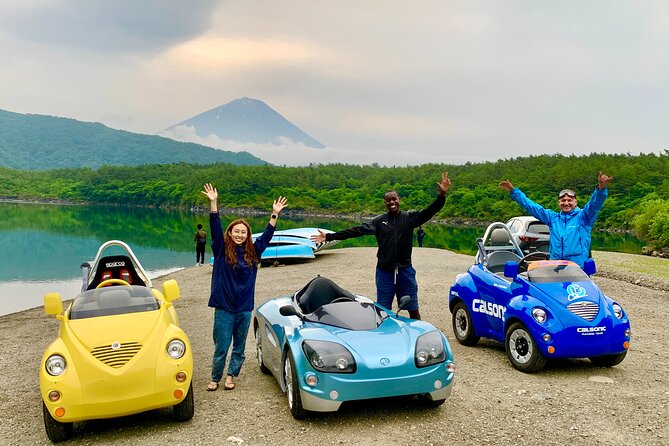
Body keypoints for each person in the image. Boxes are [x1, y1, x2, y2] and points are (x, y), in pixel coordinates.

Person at [310, 172, 452, 320]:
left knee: (413, 310)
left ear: (399, 200)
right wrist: (329, 236)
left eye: (394, 199)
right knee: (382, 311)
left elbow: (431, 211)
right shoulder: (379, 221)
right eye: (388, 200)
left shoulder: (410, 218)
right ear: (385, 203)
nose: (391, 202)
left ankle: (416, 335)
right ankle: (385, 337)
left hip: (405, 271)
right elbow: (356, 231)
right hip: (384, 273)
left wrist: (441, 195)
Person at [202, 183, 287, 391]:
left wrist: (274, 215)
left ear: (247, 235)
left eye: (243, 232)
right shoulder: (221, 250)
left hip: (243, 308)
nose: (239, 234)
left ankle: (231, 376)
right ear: (230, 233)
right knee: (221, 346)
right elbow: (215, 228)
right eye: (236, 231)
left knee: (239, 347)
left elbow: (267, 236)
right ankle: (215, 378)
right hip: (223, 307)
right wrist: (214, 203)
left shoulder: (253, 252)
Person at [498, 171, 612, 268]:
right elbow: (531, 206)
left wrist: (601, 188)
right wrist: (514, 192)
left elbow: (595, 204)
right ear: (559, 203)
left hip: (577, 268)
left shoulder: (584, 217)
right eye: (563, 200)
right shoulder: (553, 218)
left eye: (569, 200)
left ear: (575, 202)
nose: (566, 203)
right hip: (556, 266)